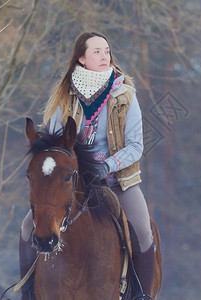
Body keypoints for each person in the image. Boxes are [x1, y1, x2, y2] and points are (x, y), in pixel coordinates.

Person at [18, 32, 155, 300]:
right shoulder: (65, 97)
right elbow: (56, 144)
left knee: (143, 230)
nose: (105, 57)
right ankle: (27, 293)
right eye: (97, 52)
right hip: (72, 182)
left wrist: (108, 166)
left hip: (117, 181)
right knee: (26, 228)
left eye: (107, 51)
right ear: (81, 59)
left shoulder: (126, 95)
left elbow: (136, 146)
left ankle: (142, 295)